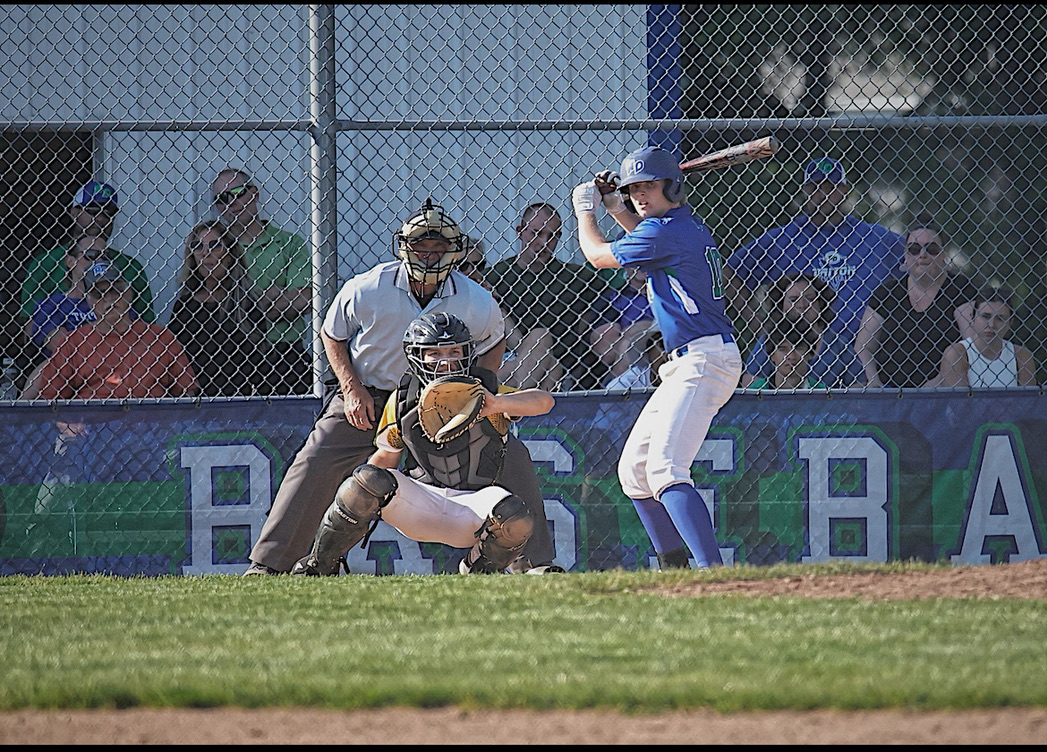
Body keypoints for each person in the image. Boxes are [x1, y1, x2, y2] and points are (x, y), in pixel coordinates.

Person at [244, 200, 560, 576]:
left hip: (447, 401)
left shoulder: (475, 298)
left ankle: (536, 565)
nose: (429, 255)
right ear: (403, 248)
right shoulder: (368, 286)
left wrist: (478, 394)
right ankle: (273, 565)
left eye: (439, 248)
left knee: (509, 454)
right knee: (316, 459)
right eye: (420, 247)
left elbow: (494, 342)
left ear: (454, 251)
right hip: (373, 396)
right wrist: (351, 388)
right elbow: (333, 334)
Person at [573, 145, 743, 570]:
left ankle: (711, 573)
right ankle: (675, 569)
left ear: (671, 185)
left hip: (703, 359)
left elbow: (597, 257)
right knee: (634, 472)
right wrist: (616, 207)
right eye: (634, 189)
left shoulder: (666, 231)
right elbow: (644, 239)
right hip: (691, 360)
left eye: (649, 185)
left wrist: (586, 213)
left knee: (666, 469)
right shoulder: (677, 228)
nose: (641, 195)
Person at [292, 311, 558, 576]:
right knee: (363, 480)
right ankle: (320, 564)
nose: (446, 361)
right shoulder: (404, 399)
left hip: (475, 507)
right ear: (416, 356)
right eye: (435, 353)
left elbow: (544, 402)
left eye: (454, 352)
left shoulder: (484, 390)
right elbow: (386, 457)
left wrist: (496, 404)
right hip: (421, 502)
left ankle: (478, 567)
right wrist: (359, 495)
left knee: (516, 518)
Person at [723, 157, 906, 380]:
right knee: (758, 368)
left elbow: (919, 264)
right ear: (805, 192)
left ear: (845, 191)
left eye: (831, 187)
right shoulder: (783, 240)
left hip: (863, 347)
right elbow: (729, 274)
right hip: (797, 347)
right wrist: (757, 322)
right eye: (815, 187)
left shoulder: (874, 239)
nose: (823, 194)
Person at [485, 202, 612, 391]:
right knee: (540, 346)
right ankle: (526, 402)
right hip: (511, 361)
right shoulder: (496, 277)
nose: (543, 243)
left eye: (551, 236)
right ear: (520, 231)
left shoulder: (578, 279)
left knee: (545, 347)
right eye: (536, 233)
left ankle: (519, 405)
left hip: (564, 368)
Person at [34, 259, 198, 400]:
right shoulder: (72, 342)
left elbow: (187, 392)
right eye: (100, 293)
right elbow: (50, 400)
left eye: (115, 290)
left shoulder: (161, 338)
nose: (109, 299)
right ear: (89, 301)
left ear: (128, 293)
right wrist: (68, 425)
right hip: (92, 426)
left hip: (150, 425)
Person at [211, 168, 311, 394]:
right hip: (229, 357)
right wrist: (275, 294)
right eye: (221, 198)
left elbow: (304, 298)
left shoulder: (288, 243)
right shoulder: (215, 247)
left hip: (285, 354)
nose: (231, 202)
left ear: (254, 193)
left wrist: (244, 306)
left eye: (237, 192)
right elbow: (212, 305)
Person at [855, 216, 978, 389]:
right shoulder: (887, 293)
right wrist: (874, 381)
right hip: (889, 388)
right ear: (905, 255)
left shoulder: (960, 290)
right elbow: (863, 347)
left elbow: (973, 345)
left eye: (932, 249)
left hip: (943, 388)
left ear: (943, 254)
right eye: (914, 249)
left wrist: (941, 381)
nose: (922, 255)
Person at [20, 180, 155, 337]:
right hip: (62, 354)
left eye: (107, 213)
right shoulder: (45, 263)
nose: (100, 218)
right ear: (74, 212)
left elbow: (147, 324)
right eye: (92, 210)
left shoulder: (131, 266)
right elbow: (29, 327)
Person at [167, 220, 270, 397]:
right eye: (197, 246)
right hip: (195, 400)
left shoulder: (246, 303)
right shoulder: (184, 305)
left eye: (215, 246)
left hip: (239, 398)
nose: (206, 253)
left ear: (230, 254)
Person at [740, 272, 861, 388]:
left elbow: (859, 385)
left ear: (820, 303)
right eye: (793, 300)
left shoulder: (838, 344)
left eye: (809, 299)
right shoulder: (770, 339)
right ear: (781, 305)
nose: (802, 305)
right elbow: (750, 383)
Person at [936, 286, 1036, 388]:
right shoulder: (957, 354)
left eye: (1000, 319)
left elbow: (1029, 402)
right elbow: (959, 402)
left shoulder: (1021, 356)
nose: (991, 324)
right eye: (985, 316)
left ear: (1010, 323)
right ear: (972, 317)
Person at [589, 265, 656, 384]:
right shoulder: (614, 296)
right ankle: (617, 389)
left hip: (660, 344)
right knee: (626, 343)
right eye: (634, 260)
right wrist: (632, 334)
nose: (640, 265)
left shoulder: (669, 294)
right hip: (628, 352)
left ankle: (615, 388)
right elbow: (605, 350)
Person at [745, 319, 828, 390]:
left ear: (810, 353)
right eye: (783, 349)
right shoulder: (756, 392)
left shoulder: (822, 394)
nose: (791, 356)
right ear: (772, 355)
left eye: (799, 348)